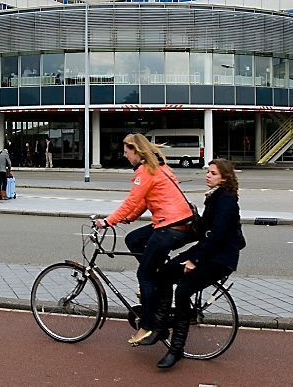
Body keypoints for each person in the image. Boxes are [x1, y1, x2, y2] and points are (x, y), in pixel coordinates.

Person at [94, 133, 197, 346]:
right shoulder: (160, 168)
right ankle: (157, 278)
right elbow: (142, 202)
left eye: (126, 152)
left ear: (137, 151)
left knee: (144, 275)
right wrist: (129, 218)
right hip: (179, 224)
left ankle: (148, 326)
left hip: (170, 227)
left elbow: (131, 199)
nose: (125, 156)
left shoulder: (145, 172)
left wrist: (108, 221)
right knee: (133, 240)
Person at [151, 158, 246, 369]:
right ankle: (160, 325)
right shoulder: (215, 197)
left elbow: (217, 235)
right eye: (208, 172)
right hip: (208, 252)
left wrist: (194, 260)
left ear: (224, 177)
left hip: (220, 258)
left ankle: (175, 350)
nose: (207, 175)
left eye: (213, 173)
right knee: (165, 272)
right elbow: (204, 230)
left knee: (183, 291)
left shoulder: (226, 200)